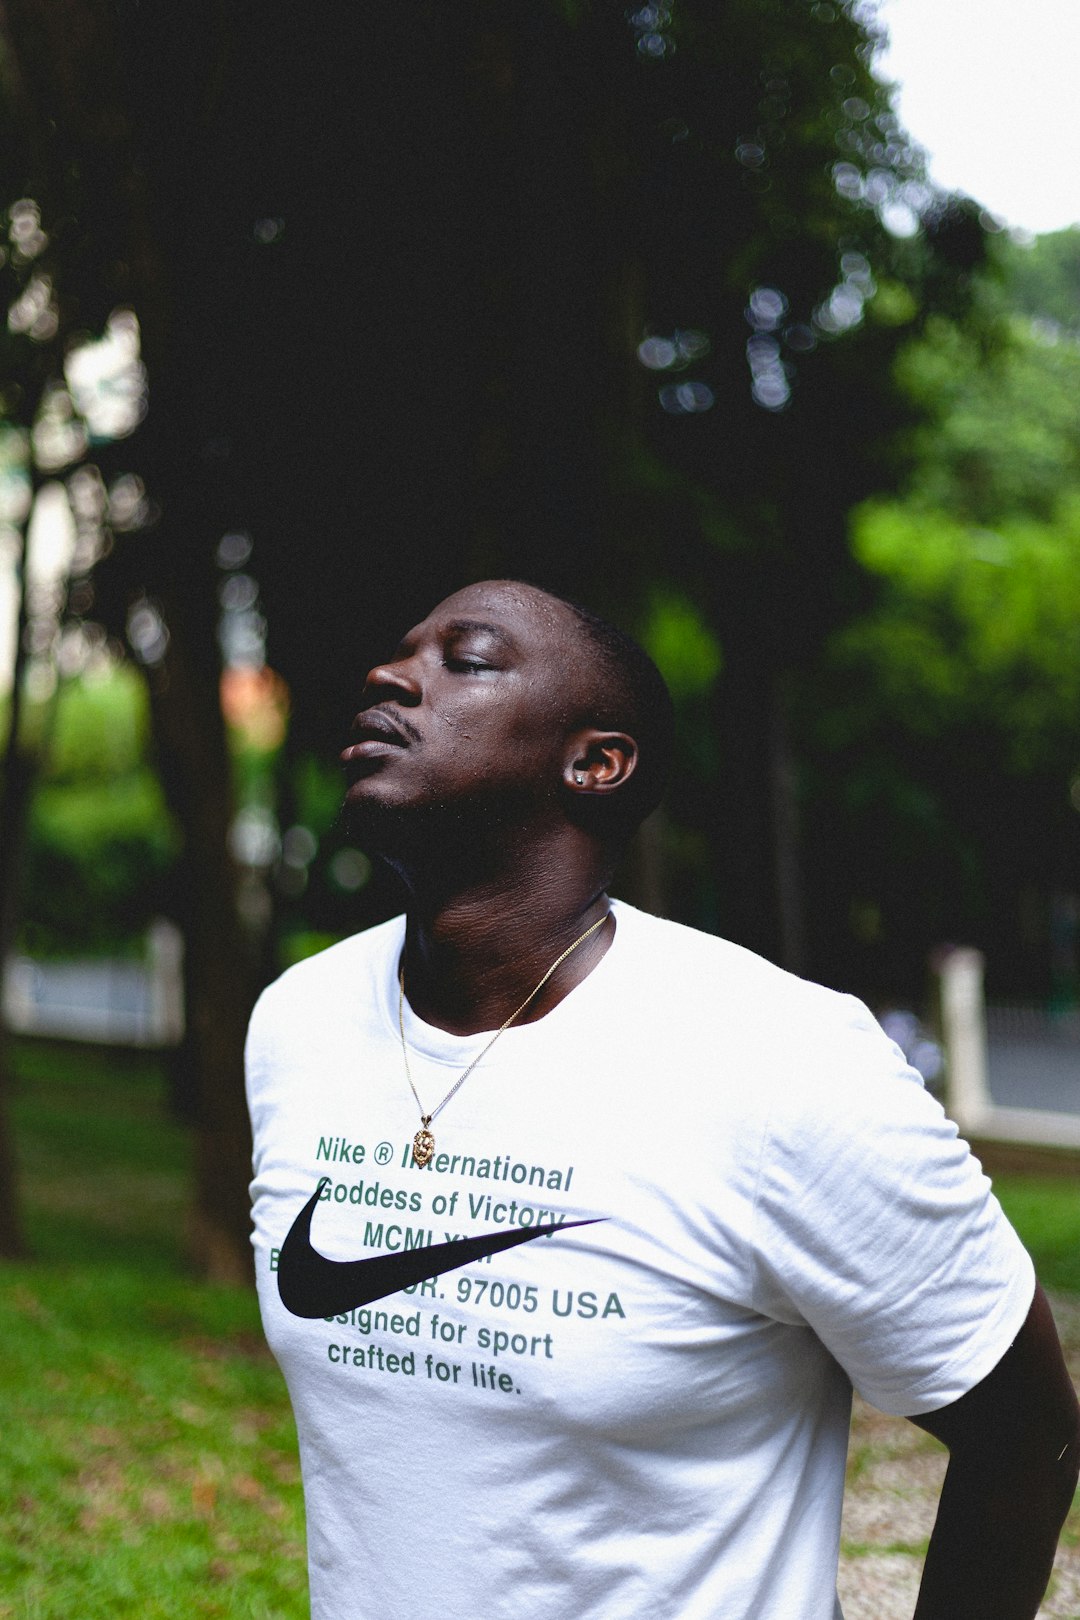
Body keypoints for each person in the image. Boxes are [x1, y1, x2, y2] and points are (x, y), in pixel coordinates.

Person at [246, 578, 1079, 1620]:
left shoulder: (781, 1061)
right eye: (402, 650)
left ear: (597, 763)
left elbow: (1025, 1437)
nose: (388, 675)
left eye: (466, 659)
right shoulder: (298, 1023)